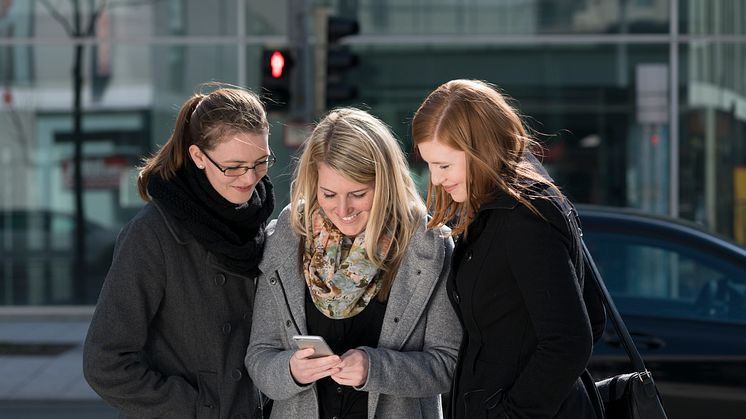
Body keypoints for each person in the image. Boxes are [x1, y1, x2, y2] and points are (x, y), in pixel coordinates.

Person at [245, 108, 460, 419]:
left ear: (385, 184)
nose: (343, 209)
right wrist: (290, 370)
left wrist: (375, 368)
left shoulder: (427, 247)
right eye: (329, 194)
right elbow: (259, 357)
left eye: (358, 193)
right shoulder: (287, 238)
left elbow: (448, 364)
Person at [412, 79, 606, 419]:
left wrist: (510, 412)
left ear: (481, 150)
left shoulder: (524, 215)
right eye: (430, 165)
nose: (437, 179)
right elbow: (590, 313)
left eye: (444, 165)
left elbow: (570, 340)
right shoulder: (496, 210)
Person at [83, 86, 275, 419]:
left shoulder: (259, 224)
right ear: (199, 156)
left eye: (260, 163)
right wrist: (198, 408)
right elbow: (105, 362)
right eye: (234, 166)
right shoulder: (152, 234)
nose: (249, 179)